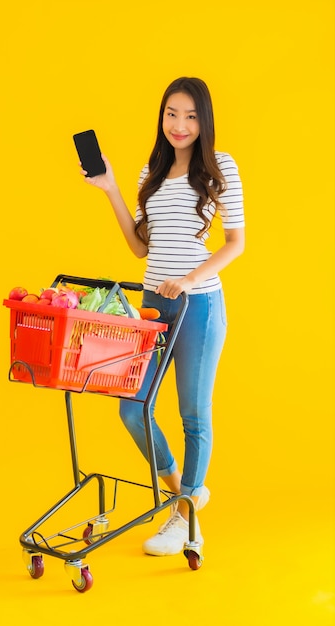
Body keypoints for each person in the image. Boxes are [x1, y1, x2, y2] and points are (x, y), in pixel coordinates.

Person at [78, 77, 245, 557]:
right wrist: (110, 188)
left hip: (199, 306)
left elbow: (236, 242)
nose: (180, 124)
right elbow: (140, 247)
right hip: (153, 305)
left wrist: (191, 279)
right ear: (162, 116)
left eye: (191, 116)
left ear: (204, 121)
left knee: (194, 414)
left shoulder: (220, 169)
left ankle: (186, 519)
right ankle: (184, 493)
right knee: (132, 407)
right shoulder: (150, 171)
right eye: (172, 113)